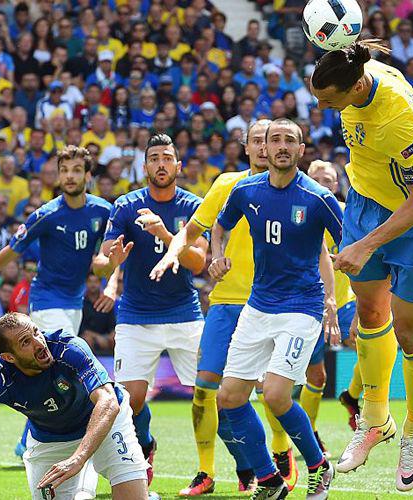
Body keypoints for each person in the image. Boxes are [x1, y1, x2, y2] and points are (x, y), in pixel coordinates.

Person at [310, 40, 413, 491]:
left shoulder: (396, 118)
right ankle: (374, 421)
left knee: (411, 330)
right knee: (370, 315)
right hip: (367, 203)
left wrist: (365, 246)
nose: (323, 107)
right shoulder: (360, 70)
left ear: (354, 89)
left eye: (329, 101)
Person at [151, 120, 297, 495]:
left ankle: (281, 454)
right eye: (256, 141)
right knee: (204, 389)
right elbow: (195, 228)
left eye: (270, 140)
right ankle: (206, 472)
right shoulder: (227, 184)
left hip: (273, 305)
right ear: (246, 147)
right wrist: (172, 250)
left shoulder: (295, 189)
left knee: (270, 391)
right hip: (226, 303)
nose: (265, 148)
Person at [207, 118, 341, 499]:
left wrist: (344, 292)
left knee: (276, 394)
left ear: (301, 150)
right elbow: (220, 227)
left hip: (301, 307)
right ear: (262, 148)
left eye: (290, 141)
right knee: (228, 397)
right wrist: (217, 257)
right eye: (274, 140)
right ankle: (268, 480)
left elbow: (348, 241)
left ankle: (319, 466)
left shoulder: (317, 198)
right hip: (259, 305)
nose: (281, 146)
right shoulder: (245, 189)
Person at [0, 145, 115, 462]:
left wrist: (109, 276)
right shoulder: (46, 215)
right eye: (64, 170)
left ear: (88, 175)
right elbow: (11, 250)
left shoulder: (103, 211)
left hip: (74, 302)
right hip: (46, 300)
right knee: (58, 365)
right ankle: (42, 439)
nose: (70, 176)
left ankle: (27, 439)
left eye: (76, 170)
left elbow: (108, 254)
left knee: (54, 370)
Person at [0, 312, 149, 500]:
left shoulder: (67, 347)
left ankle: (94, 474)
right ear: (9, 357)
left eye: (36, 332)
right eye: (26, 342)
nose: (40, 343)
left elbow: (108, 403)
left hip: (104, 422)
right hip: (51, 438)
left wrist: (79, 458)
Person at [93, 133, 208, 486]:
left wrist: (164, 233)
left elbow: (199, 262)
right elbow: (100, 262)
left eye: (167, 158)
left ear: (178, 165)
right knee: (130, 402)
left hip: (184, 313)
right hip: (136, 315)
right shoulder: (126, 206)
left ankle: (240, 469)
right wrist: (111, 262)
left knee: (210, 393)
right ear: (145, 167)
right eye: (154, 158)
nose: (161, 164)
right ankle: (145, 447)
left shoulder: (193, 206)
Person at [306, 160, 360, 451]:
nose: (323, 183)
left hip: (345, 301)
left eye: (328, 179)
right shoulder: (301, 209)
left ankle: (352, 396)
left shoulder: (347, 212)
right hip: (311, 303)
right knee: (316, 375)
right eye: (317, 178)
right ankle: (310, 433)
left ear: (336, 185)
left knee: (370, 342)